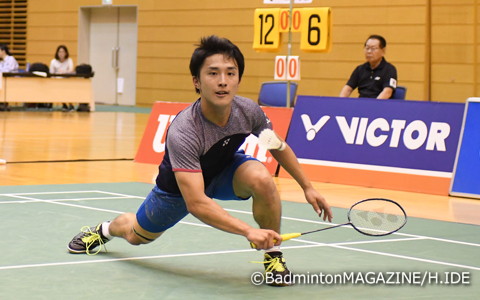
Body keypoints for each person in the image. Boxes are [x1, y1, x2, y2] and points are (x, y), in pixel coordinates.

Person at [67, 35, 333, 286]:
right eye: (213, 73)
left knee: (261, 178)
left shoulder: (248, 111)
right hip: (177, 192)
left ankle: (273, 254)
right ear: (196, 81)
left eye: (231, 73)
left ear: (239, 78)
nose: (223, 81)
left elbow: (276, 146)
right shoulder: (185, 130)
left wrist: (307, 186)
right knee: (137, 236)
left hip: (222, 171)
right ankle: (104, 230)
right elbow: (195, 202)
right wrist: (247, 231)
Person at [339, 35, 397, 99]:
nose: (369, 51)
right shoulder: (360, 69)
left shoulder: (389, 69)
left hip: (379, 105)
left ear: (383, 51)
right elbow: (348, 89)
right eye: (367, 48)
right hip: (361, 104)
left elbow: (387, 92)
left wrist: (373, 106)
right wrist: (340, 102)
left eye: (373, 48)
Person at [50, 45, 75, 111]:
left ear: (66, 53)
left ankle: (70, 104)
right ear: (57, 53)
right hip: (57, 81)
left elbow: (71, 70)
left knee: (67, 88)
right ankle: (64, 104)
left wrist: (64, 72)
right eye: (60, 52)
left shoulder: (69, 60)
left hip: (67, 81)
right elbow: (51, 73)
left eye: (63, 52)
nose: (61, 54)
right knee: (57, 87)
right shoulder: (53, 61)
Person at [0, 44, 18, 111]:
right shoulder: (1, 62)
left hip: (12, 81)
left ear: (3, 51)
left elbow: (9, 70)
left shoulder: (11, 59)